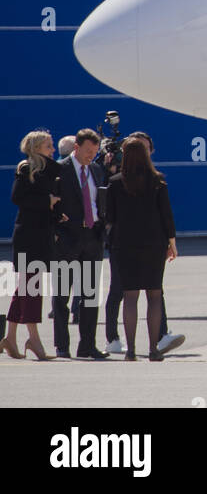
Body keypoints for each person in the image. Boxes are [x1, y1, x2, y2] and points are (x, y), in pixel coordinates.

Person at [102, 137, 177, 361]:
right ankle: (153, 350)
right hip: (154, 243)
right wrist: (172, 243)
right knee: (154, 295)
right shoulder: (157, 180)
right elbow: (167, 215)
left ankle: (132, 351)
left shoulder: (115, 182)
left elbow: (110, 216)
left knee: (130, 296)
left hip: (124, 244)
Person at [3, 131, 65, 360]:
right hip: (29, 235)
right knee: (32, 288)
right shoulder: (27, 168)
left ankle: (9, 337)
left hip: (42, 232)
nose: (52, 149)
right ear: (37, 147)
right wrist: (47, 202)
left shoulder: (50, 170)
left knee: (25, 288)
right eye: (48, 145)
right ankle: (34, 338)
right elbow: (18, 198)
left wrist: (58, 213)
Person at [50, 128, 108, 359]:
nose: (90, 156)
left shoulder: (95, 169)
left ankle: (87, 345)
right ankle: (62, 345)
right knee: (62, 295)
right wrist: (56, 230)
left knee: (90, 295)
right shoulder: (60, 170)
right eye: (87, 151)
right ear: (77, 148)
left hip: (91, 237)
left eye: (94, 152)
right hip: (67, 237)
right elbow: (51, 204)